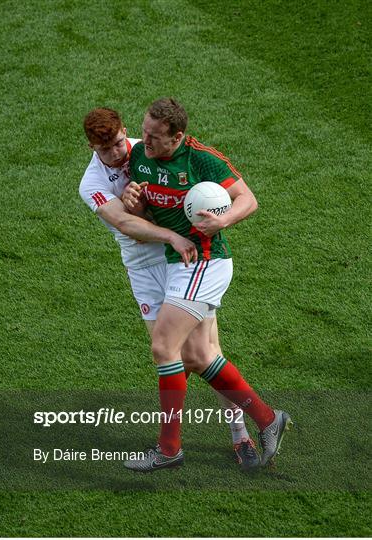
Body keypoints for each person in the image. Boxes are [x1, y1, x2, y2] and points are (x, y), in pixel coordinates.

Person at [79, 107, 260, 471]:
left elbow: (182, 192)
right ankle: (180, 443)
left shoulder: (145, 149)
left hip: (180, 261)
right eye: (105, 150)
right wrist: (158, 224)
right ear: (91, 148)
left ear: (124, 132)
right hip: (143, 269)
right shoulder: (91, 184)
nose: (117, 154)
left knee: (205, 349)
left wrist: (191, 222)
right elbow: (126, 224)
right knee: (174, 354)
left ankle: (240, 432)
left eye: (118, 143)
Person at [122, 98, 292, 472]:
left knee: (164, 346)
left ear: (177, 136)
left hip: (205, 261)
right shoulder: (140, 157)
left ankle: (169, 450)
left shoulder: (203, 159)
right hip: (178, 263)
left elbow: (249, 199)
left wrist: (224, 220)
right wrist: (132, 201)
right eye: (144, 132)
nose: (145, 141)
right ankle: (267, 419)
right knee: (197, 357)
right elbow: (144, 212)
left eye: (154, 136)